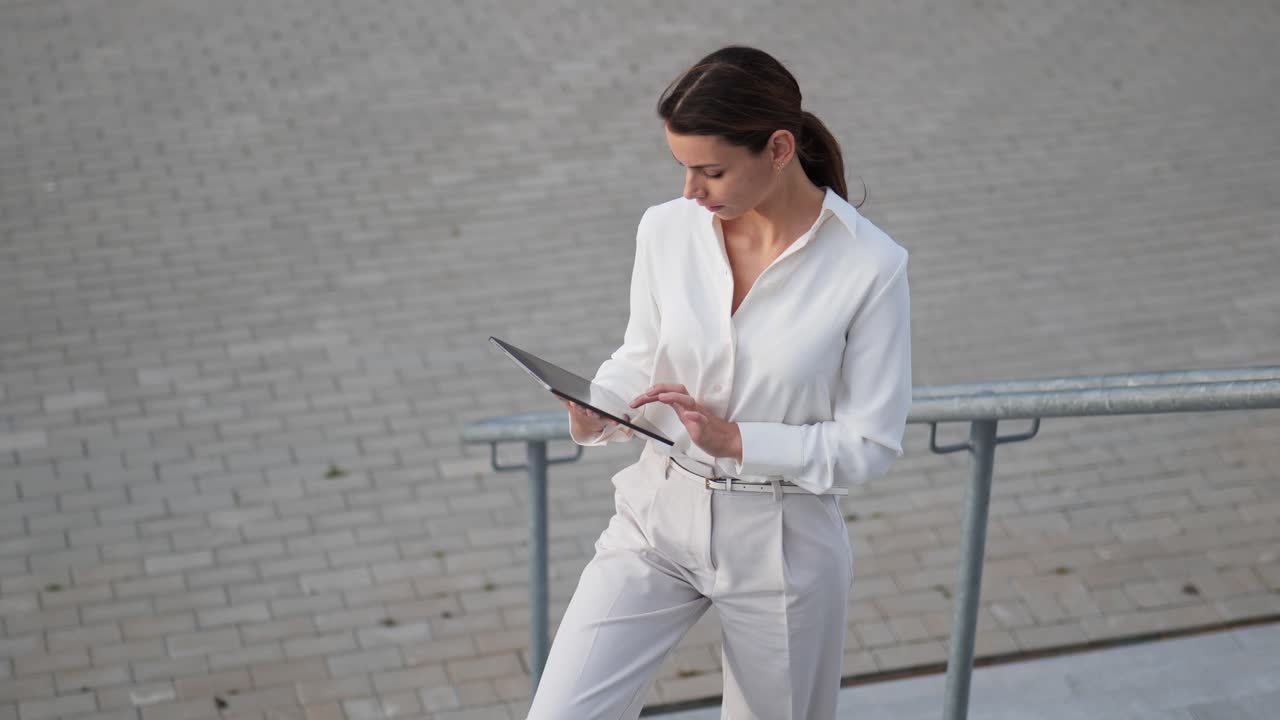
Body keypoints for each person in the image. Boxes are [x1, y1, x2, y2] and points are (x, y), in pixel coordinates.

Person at [528, 45, 912, 720]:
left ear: (780, 147)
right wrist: (602, 406)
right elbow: (640, 351)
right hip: (657, 513)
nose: (690, 192)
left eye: (712, 171)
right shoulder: (667, 230)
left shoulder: (870, 268)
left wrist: (739, 440)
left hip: (784, 542)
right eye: (682, 168)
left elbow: (870, 444)